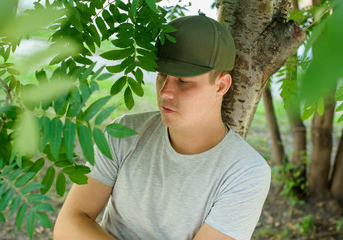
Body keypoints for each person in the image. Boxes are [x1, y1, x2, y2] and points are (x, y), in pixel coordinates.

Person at [54, 13, 271, 240]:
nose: (165, 92)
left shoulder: (246, 173)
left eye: (184, 81)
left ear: (221, 86)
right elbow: (68, 225)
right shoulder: (124, 133)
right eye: (162, 76)